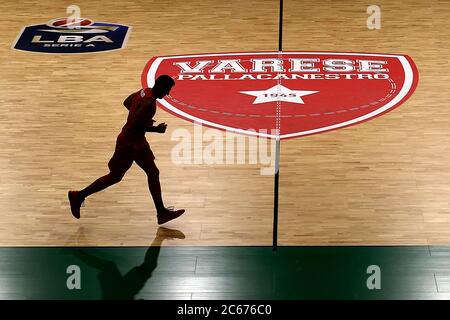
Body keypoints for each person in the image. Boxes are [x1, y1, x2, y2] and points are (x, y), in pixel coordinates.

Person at [68, 75, 185, 225]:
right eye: (167, 90)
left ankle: (161, 212)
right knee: (115, 176)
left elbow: (127, 102)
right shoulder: (150, 103)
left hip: (138, 143)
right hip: (128, 144)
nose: (167, 94)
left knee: (153, 172)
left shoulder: (144, 92)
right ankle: (79, 195)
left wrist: (138, 116)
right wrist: (156, 129)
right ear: (161, 86)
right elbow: (136, 125)